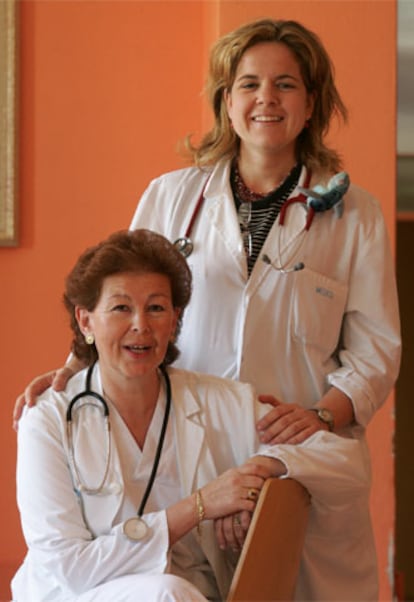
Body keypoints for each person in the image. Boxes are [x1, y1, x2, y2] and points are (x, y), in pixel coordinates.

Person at [14, 18, 400, 446]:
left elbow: (375, 350)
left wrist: (322, 416)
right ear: (227, 102)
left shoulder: (356, 214)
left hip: (301, 454)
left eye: (286, 85)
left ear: (310, 104)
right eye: (249, 84)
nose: (266, 98)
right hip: (184, 444)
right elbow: (121, 303)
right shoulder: (170, 196)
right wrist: (73, 369)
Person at [12, 229, 375, 601]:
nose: (141, 324)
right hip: (77, 595)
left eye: (156, 308)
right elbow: (67, 568)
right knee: (167, 593)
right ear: (86, 321)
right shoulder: (48, 420)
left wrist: (263, 471)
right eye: (121, 308)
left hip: (193, 595)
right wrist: (200, 506)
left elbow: (345, 464)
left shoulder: (220, 401)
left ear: (174, 320)